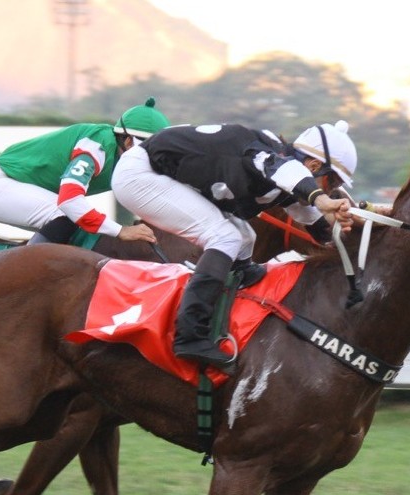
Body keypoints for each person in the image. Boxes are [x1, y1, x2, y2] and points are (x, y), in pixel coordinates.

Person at [111, 120, 358, 370]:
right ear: (314, 165)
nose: (333, 189)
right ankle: (189, 334)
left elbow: (313, 222)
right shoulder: (268, 156)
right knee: (225, 237)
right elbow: (284, 171)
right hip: (141, 175)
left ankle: (237, 275)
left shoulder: (284, 172)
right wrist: (320, 198)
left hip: (162, 174)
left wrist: (346, 243)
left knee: (245, 237)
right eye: (334, 183)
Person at [0, 97, 171, 246]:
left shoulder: (123, 155)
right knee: (66, 216)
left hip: (17, 185)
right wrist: (121, 231)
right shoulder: (97, 146)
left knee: (81, 230)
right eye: (149, 150)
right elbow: (69, 201)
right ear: (127, 142)